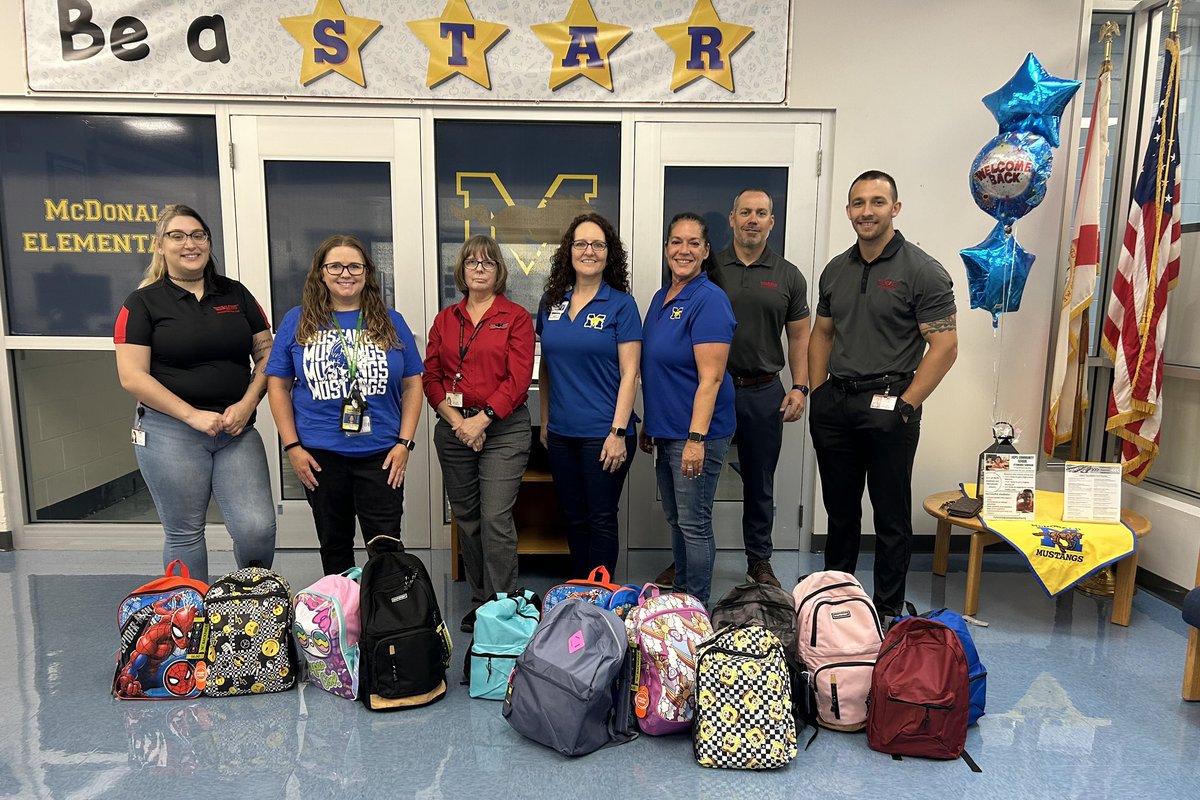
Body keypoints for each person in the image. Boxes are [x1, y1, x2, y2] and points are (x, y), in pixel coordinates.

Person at [808, 170, 958, 621]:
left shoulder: (922, 270)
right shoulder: (836, 269)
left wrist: (907, 405)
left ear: (895, 208)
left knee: (890, 516)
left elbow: (945, 346)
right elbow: (822, 334)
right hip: (838, 403)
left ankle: (888, 609)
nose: (866, 211)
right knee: (840, 512)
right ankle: (836, 603)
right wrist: (818, 394)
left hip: (893, 402)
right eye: (858, 203)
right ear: (849, 210)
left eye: (877, 202)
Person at [114, 204, 276, 581]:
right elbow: (132, 377)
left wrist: (248, 402)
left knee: (257, 529)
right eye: (178, 236)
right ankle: (189, 623)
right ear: (160, 246)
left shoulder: (235, 294)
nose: (190, 244)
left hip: (236, 429)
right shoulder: (142, 303)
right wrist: (192, 415)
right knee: (185, 533)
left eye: (198, 235)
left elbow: (267, 354)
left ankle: (250, 612)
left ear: (208, 243)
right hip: (170, 432)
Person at [266, 235, 423, 576]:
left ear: (367, 272)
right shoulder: (297, 320)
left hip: (381, 454)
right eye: (334, 266)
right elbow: (277, 385)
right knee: (334, 545)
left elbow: (413, 384)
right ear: (320, 273)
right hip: (320, 456)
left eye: (354, 265)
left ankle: (385, 621)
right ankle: (341, 622)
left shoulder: (391, 320)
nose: (345, 273)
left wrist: (404, 443)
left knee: (386, 548)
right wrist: (292, 446)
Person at [424, 235, 535, 632]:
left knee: (494, 517)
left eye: (488, 263)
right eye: (472, 262)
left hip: (503, 429)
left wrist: (482, 419)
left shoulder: (516, 317)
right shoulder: (445, 319)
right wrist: (459, 422)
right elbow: (431, 377)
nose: (479, 269)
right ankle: (480, 600)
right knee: (467, 518)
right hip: (455, 428)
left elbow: (519, 378)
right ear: (462, 270)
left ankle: (503, 604)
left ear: (499, 271)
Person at [703, 187, 811, 589]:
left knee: (759, 481)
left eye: (761, 213)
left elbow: (800, 337)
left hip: (763, 390)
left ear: (771, 221)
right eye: (745, 212)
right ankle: (689, 560)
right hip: (711, 391)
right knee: (696, 480)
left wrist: (800, 386)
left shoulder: (787, 275)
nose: (752, 219)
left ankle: (759, 562)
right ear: (731, 219)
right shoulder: (709, 268)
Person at [638, 213, 736, 607]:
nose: (684, 250)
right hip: (667, 429)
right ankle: (681, 598)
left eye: (694, 243)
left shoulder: (709, 300)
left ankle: (696, 609)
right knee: (678, 520)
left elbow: (710, 379)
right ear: (666, 249)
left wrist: (696, 439)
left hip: (698, 433)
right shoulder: (661, 299)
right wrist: (650, 424)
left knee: (694, 522)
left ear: (706, 251)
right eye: (676, 241)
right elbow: (658, 367)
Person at [537, 212, 641, 578]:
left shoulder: (621, 305)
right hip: (562, 434)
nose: (589, 251)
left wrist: (617, 432)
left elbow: (631, 373)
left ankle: (600, 599)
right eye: (581, 243)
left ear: (609, 253)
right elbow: (546, 366)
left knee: (600, 517)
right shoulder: (551, 303)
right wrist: (546, 419)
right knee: (574, 517)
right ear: (569, 251)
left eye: (598, 244)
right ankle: (581, 589)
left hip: (604, 433)